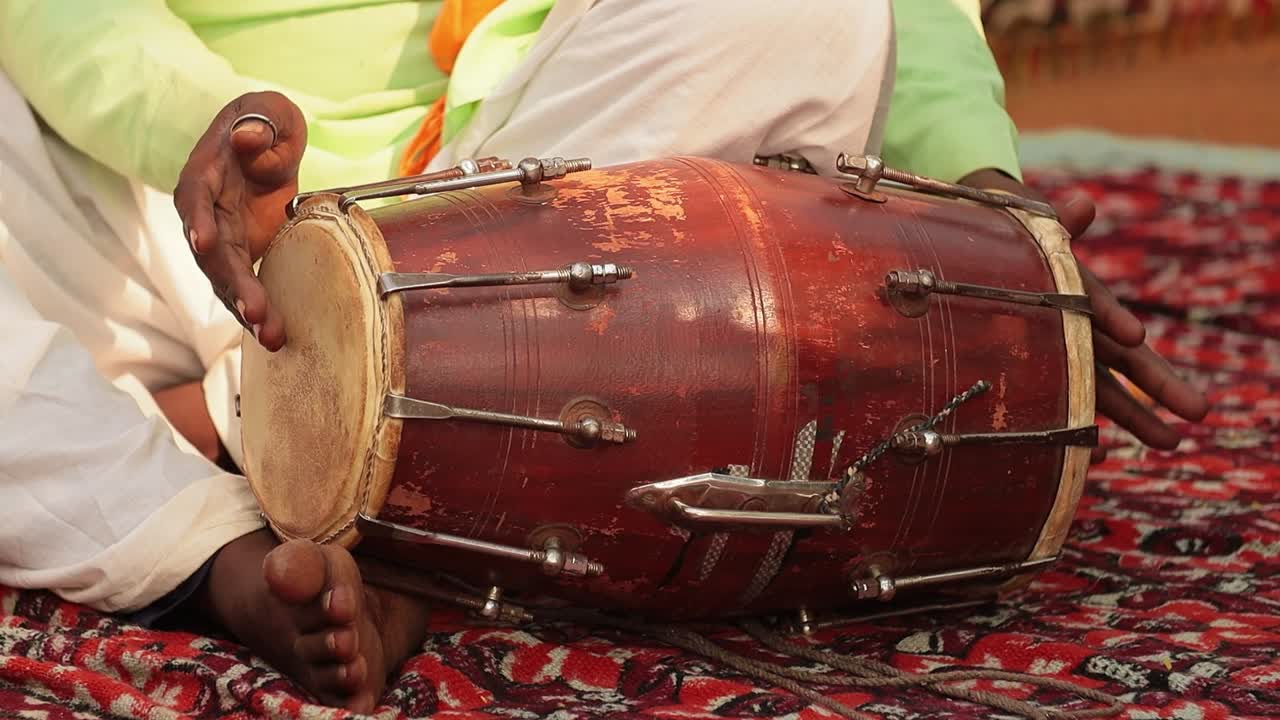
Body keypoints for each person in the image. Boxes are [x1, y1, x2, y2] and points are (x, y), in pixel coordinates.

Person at [0, 0, 1207, 712]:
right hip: (177, 199)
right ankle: (210, 546)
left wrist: (981, 213)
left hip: (527, 197)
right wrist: (217, 131)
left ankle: (266, 420)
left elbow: (904, 16)